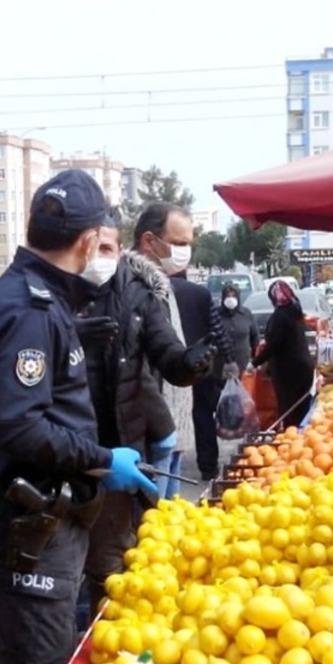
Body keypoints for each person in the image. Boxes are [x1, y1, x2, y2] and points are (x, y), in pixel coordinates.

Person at [0, 169, 157, 664]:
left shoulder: (34, 297)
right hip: (32, 524)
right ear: (90, 238)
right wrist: (102, 460)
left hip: (44, 514)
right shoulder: (30, 307)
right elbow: (19, 424)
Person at [75, 225, 211, 615]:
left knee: (112, 558)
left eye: (107, 247)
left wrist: (190, 364)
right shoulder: (56, 291)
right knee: (64, 557)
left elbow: (166, 351)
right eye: (92, 245)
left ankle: (100, 635)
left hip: (121, 446)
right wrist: (68, 337)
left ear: (120, 249)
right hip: (62, 449)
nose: (99, 256)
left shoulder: (137, 292)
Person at [132, 202, 206, 496]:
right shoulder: (134, 289)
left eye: (188, 244)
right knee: (153, 524)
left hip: (175, 427)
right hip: (153, 431)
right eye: (178, 243)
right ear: (149, 240)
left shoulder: (162, 284)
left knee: (169, 521)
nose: (184, 252)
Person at [169, 266, 235, 482]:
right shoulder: (200, 293)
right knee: (203, 415)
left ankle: (169, 467)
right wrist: (228, 358)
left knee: (170, 416)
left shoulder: (158, 291)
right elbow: (217, 330)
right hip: (202, 366)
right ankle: (208, 467)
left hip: (168, 365)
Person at [253, 280, 315, 427]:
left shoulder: (280, 316)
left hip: (288, 372)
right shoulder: (296, 310)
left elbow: (274, 344)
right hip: (304, 368)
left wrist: (255, 362)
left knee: (289, 411)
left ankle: (292, 441)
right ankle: (302, 438)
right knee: (302, 410)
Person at [217, 282, 259, 378]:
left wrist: (254, 361)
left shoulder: (246, 314)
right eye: (228, 296)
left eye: (233, 296)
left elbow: (255, 338)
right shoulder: (216, 315)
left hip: (243, 366)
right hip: (221, 367)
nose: (230, 298)